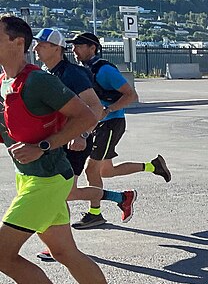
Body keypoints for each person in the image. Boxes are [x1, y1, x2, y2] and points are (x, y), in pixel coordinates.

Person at [0, 15, 138, 284]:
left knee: (2, 255)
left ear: (19, 42)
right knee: (64, 252)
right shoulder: (6, 81)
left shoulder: (38, 82)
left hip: (47, 181)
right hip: (30, 177)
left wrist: (45, 146)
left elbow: (88, 116)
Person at [30, 30, 136, 262]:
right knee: (65, 193)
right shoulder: (46, 73)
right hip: (59, 142)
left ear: (56, 48)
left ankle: (60, 246)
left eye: (42, 44)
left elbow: (96, 108)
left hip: (77, 142)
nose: (36, 48)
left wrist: (83, 134)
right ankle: (120, 198)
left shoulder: (73, 74)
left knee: (61, 193)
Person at [68, 32, 171, 229]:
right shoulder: (81, 70)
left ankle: (95, 213)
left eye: (79, 45)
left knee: (92, 169)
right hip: (96, 124)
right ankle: (153, 166)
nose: (74, 49)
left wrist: (108, 110)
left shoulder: (104, 70)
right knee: (106, 171)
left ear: (93, 48)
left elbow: (131, 94)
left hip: (109, 124)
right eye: (73, 45)